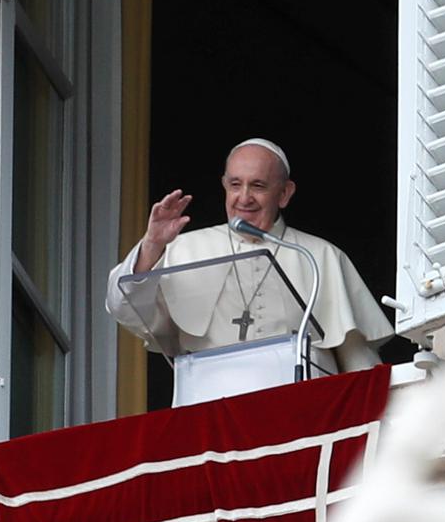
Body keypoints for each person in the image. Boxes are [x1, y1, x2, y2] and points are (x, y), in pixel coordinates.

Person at [106, 138, 393, 375]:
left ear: (284, 193)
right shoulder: (183, 249)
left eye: (258, 186)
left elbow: (358, 362)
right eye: (235, 184)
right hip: (211, 409)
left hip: (304, 415)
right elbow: (124, 307)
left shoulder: (319, 256)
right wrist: (152, 245)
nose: (244, 198)